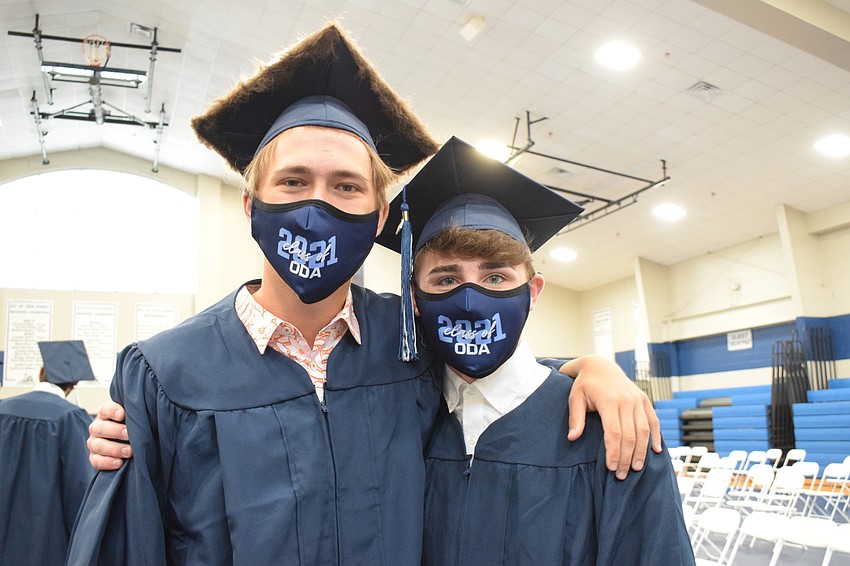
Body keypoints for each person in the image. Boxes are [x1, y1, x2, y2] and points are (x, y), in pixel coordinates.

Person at [68, 23, 660, 565]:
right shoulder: (165, 375)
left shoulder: (406, 341)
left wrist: (591, 368)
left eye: (346, 186)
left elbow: (490, 373)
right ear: (252, 206)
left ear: (378, 218)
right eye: (294, 181)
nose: (317, 205)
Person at [378, 137, 694, 565]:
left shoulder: (612, 428)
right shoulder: (403, 422)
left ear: (532, 292)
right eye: (446, 280)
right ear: (414, 299)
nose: (470, 299)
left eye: (495, 278)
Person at [0, 340, 96, 565]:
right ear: (73, 385)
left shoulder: (2, 409)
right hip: (43, 541)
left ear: (40, 372)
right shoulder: (70, 418)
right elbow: (80, 488)